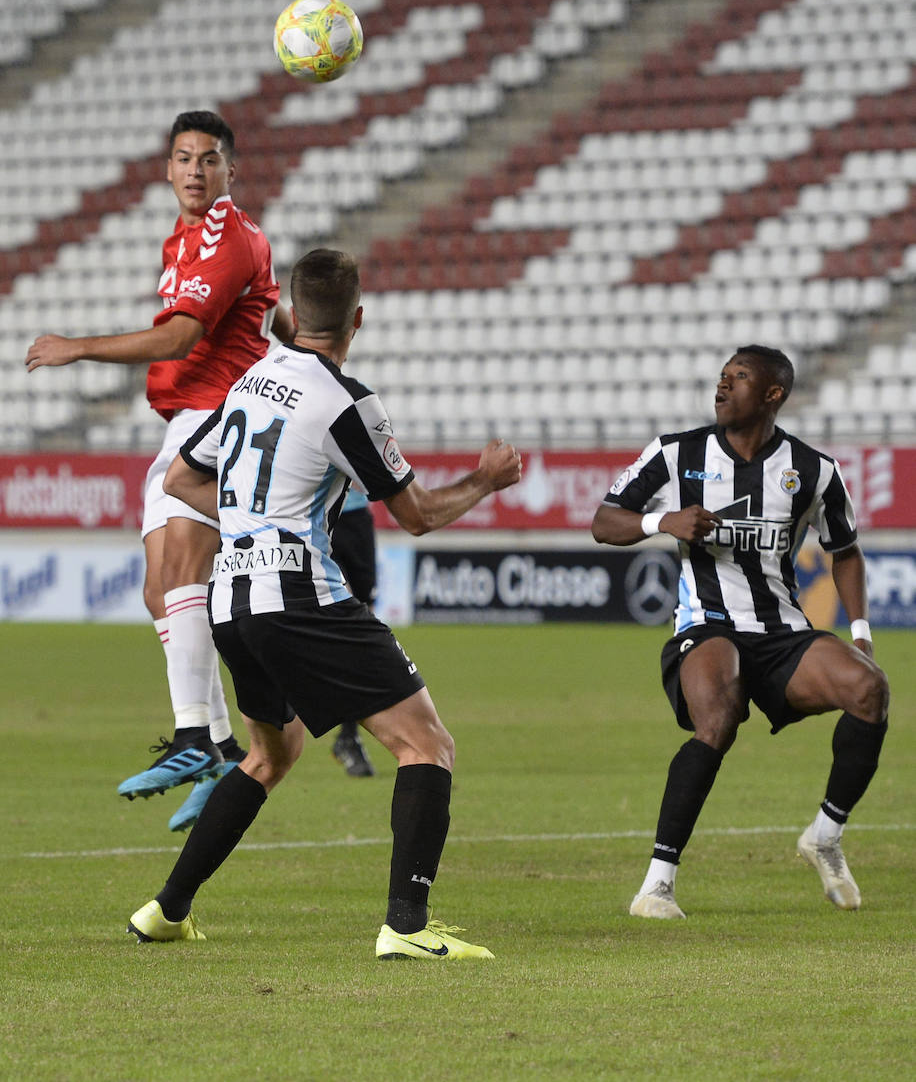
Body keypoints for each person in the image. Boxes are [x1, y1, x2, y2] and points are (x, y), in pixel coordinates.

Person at [126, 247, 522, 959]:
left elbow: (183, 478)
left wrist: (253, 516)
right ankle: (406, 926)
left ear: (291, 316)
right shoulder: (346, 402)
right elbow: (420, 514)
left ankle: (168, 908)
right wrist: (487, 479)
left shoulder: (252, 380)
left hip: (232, 602)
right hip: (299, 596)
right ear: (357, 319)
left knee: (270, 756)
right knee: (426, 743)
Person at [26, 110, 294, 831]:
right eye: (184, 158)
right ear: (168, 169)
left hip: (217, 417)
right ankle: (217, 744)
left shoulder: (230, 236)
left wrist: (77, 348)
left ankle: (191, 739)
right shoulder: (186, 237)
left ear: (231, 170)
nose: (196, 170)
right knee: (159, 590)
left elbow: (181, 333)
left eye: (210, 159)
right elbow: (265, 321)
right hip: (184, 419)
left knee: (183, 575)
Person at [591, 345, 889, 920]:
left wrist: (859, 631)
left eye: (739, 378)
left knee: (870, 690)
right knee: (718, 716)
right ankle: (657, 885)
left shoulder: (814, 470)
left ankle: (825, 835)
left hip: (781, 633)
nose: (722, 386)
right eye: (722, 377)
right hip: (704, 625)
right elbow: (604, 521)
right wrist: (663, 521)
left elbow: (845, 551)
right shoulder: (677, 453)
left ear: (773, 394)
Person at [330, 485, 379, 778]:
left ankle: (348, 736)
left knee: (362, 630)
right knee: (344, 622)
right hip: (316, 517)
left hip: (357, 516)